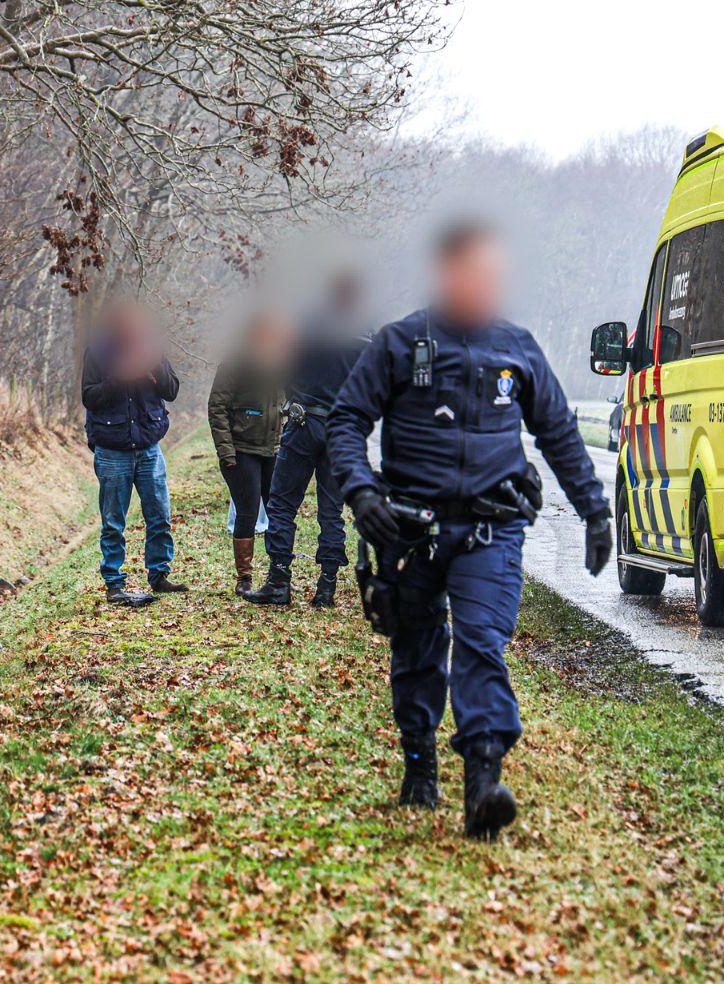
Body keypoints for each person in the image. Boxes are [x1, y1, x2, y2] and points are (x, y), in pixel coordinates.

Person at [325, 221, 612, 841]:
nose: (487, 286)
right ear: (446, 273)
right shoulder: (400, 344)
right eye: (475, 273)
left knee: (482, 640)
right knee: (418, 646)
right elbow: (346, 421)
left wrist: (595, 510)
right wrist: (362, 491)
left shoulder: (518, 348)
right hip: (409, 528)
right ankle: (418, 760)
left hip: (492, 527)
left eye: (495, 276)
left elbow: (558, 432)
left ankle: (483, 780)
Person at [243, 272, 369, 608]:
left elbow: (283, 366)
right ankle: (326, 589)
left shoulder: (309, 324)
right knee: (331, 510)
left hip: (304, 420)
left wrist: (295, 392)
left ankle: (279, 581)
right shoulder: (367, 333)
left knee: (282, 503)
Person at [81, 300, 189, 606]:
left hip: (149, 448)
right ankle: (114, 584)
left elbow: (172, 391)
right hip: (112, 450)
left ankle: (159, 575)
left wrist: (153, 366)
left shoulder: (152, 349)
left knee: (160, 515)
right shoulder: (99, 354)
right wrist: (120, 378)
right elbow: (89, 397)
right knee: (114, 520)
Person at [208, 311, 292, 595]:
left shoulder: (283, 365)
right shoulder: (235, 363)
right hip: (242, 449)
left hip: (274, 449)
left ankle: (278, 573)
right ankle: (244, 578)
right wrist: (225, 450)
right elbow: (216, 408)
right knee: (247, 511)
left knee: (278, 511)